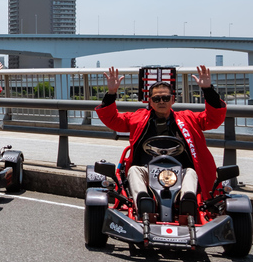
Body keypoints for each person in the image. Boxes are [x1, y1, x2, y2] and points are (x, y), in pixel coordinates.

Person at [96, 66, 227, 217]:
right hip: (147, 170)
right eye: (157, 99)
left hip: (181, 171)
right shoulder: (138, 118)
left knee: (191, 172)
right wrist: (111, 93)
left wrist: (208, 90)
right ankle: (143, 203)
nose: (161, 102)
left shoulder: (188, 118)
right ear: (150, 101)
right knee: (133, 170)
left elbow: (213, 119)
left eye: (165, 98)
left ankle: (188, 204)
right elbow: (112, 120)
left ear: (173, 100)